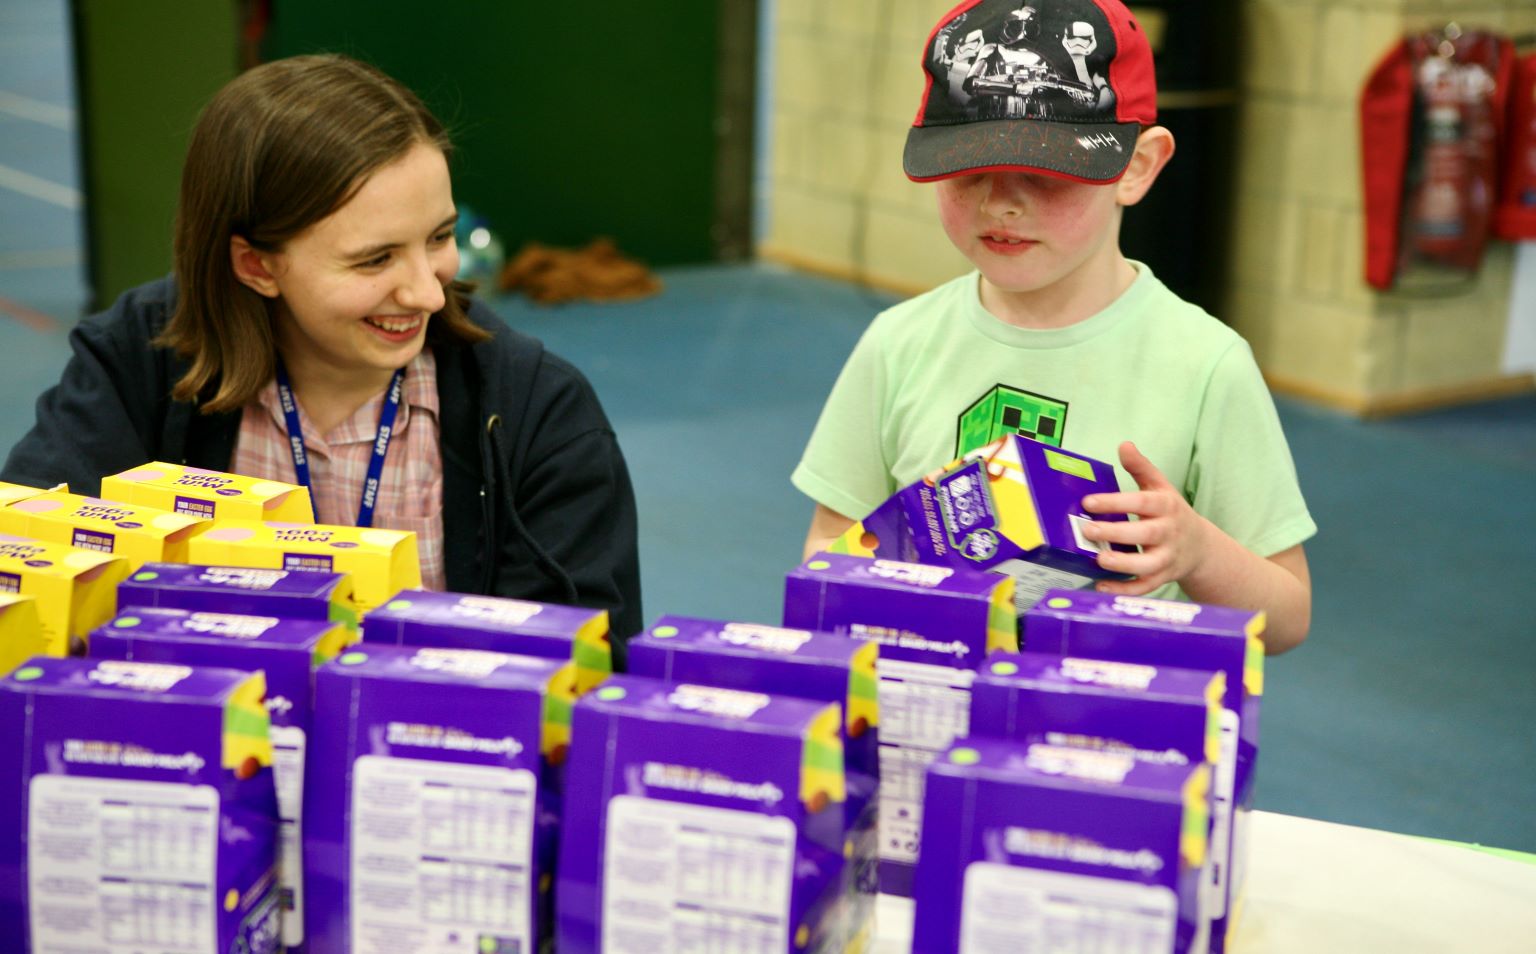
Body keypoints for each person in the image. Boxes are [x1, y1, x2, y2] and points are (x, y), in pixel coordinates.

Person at [1, 54, 643, 649]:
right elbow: (26, 556)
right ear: (256, 265)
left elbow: (581, 664)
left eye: (440, 237)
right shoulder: (136, 363)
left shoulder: (534, 409)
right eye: (375, 259)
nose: (426, 293)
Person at [793, 0, 1315, 654]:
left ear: (1136, 166)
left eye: (1045, 172)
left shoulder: (1205, 364)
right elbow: (829, 546)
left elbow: (1288, 618)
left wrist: (1198, 551)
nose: (1001, 202)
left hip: (1100, 723)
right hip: (926, 707)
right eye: (967, 168)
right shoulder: (898, 343)